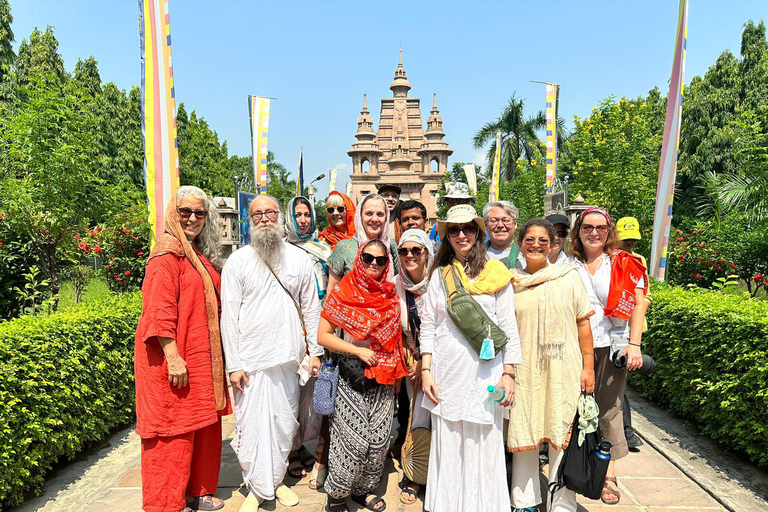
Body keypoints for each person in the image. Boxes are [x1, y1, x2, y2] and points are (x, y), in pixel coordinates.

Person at [220, 195, 323, 512]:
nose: (264, 218)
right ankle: (258, 487)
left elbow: (311, 308)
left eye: (270, 212)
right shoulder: (237, 261)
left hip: (288, 358)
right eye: (257, 214)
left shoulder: (299, 259)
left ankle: (273, 484)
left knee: (282, 427)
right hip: (250, 362)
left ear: (280, 217)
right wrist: (233, 364)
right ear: (249, 221)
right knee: (250, 429)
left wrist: (315, 352)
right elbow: (229, 318)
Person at [135, 185, 231, 512]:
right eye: (184, 212)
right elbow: (159, 311)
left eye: (199, 213)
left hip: (199, 360)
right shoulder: (166, 254)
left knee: (202, 425)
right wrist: (173, 357)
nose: (192, 218)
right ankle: (167, 504)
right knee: (171, 433)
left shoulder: (192, 253)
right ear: (171, 214)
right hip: (172, 361)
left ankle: (197, 492)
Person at [420, 204, 522, 512]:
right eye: (454, 229)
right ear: (447, 235)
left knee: (484, 442)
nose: (461, 234)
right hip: (447, 372)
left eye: (467, 228)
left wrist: (509, 373)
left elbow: (508, 327)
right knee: (448, 443)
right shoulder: (439, 275)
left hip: (486, 373)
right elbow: (428, 323)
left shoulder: (496, 273)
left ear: (477, 232)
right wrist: (425, 370)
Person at [507, 218, 596, 512]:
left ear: (552, 244)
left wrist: (589, 366)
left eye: (543, 240)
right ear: (520, 244)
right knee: (525, 431)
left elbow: (583, 322)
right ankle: (524, 502)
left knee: (561, 434)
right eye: (530, 240)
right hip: (526, 369)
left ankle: (562, 505)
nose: (536, 245)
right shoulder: (511, 282)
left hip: (563, 368)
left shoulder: (568, 276)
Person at [318, 240, 409, 512]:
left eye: (380, 260)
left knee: (380, 440)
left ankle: (362, 490)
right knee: (353, 442)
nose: (373, 264)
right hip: (350, 375)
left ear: (386, 264)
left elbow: (395, 340)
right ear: (359, 258)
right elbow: (323, 336)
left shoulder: (390, 294)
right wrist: (356, 351)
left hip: (382, 377)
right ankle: (336, 494)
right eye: (368, 258)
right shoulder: (342, 292)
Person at [567, 207, 648, 506]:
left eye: (600, 228)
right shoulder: (567, 264)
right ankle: (570, 468)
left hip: (612, 346)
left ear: (609, 231)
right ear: (579, 231)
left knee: (608, 409)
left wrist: (634, 345)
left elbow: (638, 305)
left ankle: (608, 474)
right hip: (574, 346)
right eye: (587, 227)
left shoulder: (622, 263)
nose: (594, 233)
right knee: (572, 408)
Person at [284, 196, 333, 485]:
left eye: (306, 214)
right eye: (298, 214)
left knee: (316, 392)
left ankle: (309, 444)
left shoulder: (322, 250)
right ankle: (291, 450)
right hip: (291, 329)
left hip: (322, 328)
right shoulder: (280, 250)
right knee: (291, 391)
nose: (303, 219)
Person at [393, 228, 434, 505]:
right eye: (403, 251)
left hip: (442, 360)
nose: (409, 255)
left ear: (427, 253)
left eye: (415, 250)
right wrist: (410, 357)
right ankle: (417, 476)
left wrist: (425, 362)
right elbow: (393, 327)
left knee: (443, 418)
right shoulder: (396, 284)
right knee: (417, 418)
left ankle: (440, 475)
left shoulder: (440, 280)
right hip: (411, 363)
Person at [615, 216, 652, 452]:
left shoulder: (638, 261)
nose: (629, 243)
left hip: (629, 330)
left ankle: (626, 430)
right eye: (625, 238)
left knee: (620, 383)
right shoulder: (606, 259)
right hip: (610, 326)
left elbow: (643, 297)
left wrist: (634, 340)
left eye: (633, 239)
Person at [326, 193, 398, 291]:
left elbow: (399, 283)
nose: (374, 219)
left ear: (386, 217)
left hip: (388, 305)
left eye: (380, 214)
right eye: (369, 213)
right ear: (360, 216)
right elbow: (332, 289)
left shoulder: (391, 246)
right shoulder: (344, 248)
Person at [483, 200, 520, 269]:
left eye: (505, 220)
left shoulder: (527, 253)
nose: (500, 225)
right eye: (494, 220)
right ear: (485, 225)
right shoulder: (475, 255)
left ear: (515, 224)